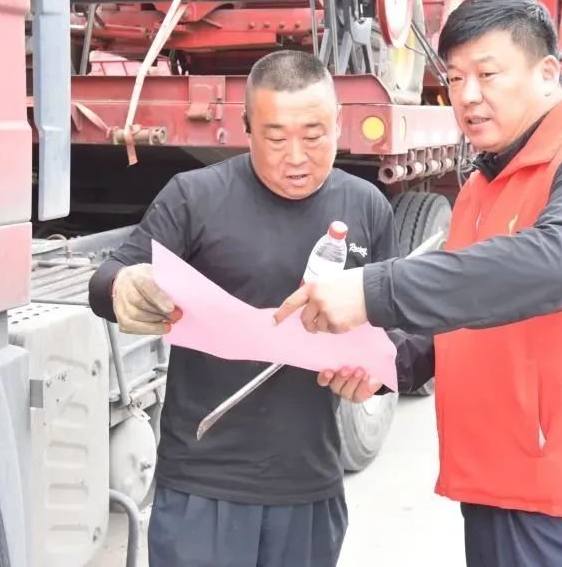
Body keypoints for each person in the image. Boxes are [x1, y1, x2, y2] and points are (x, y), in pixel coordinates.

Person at [274, 0, 562, 567]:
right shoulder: (484, 187)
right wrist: (388, 362)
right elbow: (468, 308)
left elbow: (555, 267)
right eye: (455, 79)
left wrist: (373, 291)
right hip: (494, 484)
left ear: (548, 73)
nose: (469, 97)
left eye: (488, 74)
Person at [87, 49, 430, 567]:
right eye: (274, 137)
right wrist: (125, 287)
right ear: (246, 129)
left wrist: (376, 376)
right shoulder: (195, 197)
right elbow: (107, 279)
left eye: (314, 134)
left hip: (310, 484)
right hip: (203, 485)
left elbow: (398, 338)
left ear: (339, 124)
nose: (296, 155)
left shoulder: (366, 206)